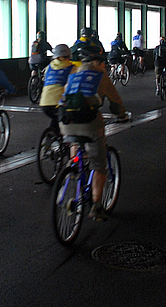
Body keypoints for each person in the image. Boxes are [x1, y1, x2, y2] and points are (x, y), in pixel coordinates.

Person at [58, 43, 128, 221]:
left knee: (76, 142)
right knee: (99, 165)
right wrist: (121, 114)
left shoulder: (74, 73)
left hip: (65, 121)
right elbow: (115, 100)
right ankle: (96, 207)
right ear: (97, 62)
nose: (104, 65)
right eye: (102, 62)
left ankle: (73, 168)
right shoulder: (100, 75)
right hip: (89, 123)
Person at [39, 44, 76, 131]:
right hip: (59, 103)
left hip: (44, 103)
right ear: (69, 55)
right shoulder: (72, 68)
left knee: (55, 120)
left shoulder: (49, 67)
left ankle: (50, 136)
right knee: (68, 119)